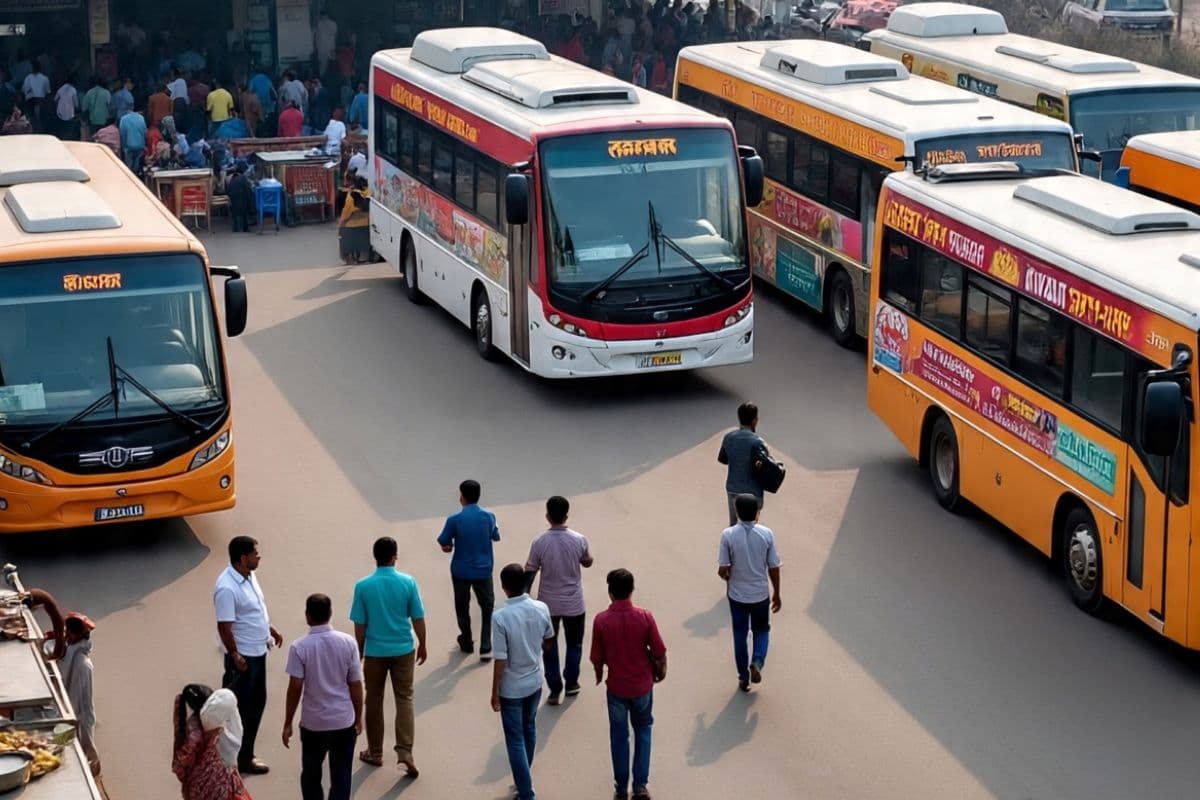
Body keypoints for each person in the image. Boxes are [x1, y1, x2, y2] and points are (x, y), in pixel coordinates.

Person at [349, 536, 426, 777]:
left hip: (375, 652)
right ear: (395, 557)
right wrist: (423, 643)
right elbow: (418, 617)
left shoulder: (363, 586)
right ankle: (405, 752)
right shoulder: (408, 582)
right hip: (404, 648)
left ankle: (375, 751)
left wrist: (358, 654)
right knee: (405, 698)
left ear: (375, 557)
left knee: (374, 698)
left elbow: (359, 624)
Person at [590, 569, 666, 800]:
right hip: (642, 686)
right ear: (632, 590)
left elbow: (596, 656)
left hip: (616, 688)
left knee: (619, 736)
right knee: (643, 730)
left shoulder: (601, 620)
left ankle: (621, 787)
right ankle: (640, 786)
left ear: (610, 592)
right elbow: (660, 650)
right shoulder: (645, 616)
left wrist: (598, 674)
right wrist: (661, 669)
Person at [214, 534, 284, 775]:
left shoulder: (249, 576)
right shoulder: (226, 587)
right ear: (243, 558)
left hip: (258, 651)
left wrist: (269, 629)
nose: (259, 556)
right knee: (237, 709)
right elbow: (224, 625)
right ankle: (229, 757)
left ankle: (245, 755)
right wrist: (234, 654)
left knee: (256, 705)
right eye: (255, 553)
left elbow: (255, 608)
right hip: (243, 658)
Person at [283, 593, 364, 800]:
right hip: (343, 722)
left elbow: (295, 687)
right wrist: (358, 716)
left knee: (310, 774)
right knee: (341, 775)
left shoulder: (299, 647)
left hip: (313, 724)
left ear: (307, 616)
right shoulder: (348, 643)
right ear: (330, 614)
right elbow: (355, 684)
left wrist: (288, 722)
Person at [490, 563, 555, 800]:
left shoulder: (500, 617)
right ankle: (523, 779)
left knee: (514, 738)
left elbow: (500, 659)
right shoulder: (541, 608)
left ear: (504, 587)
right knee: (529, 727)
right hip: (535, 682)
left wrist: (495, 691)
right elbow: (549, 640)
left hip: (511, 687)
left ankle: (526, 791)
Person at [524, 495, 594, 706]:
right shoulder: (579, 539)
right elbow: (588, 561)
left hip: (548, 605)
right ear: (567, 515)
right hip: (574, 603)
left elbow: (530, 571)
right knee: (575, 644)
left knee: (549, 646)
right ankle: (572, 682)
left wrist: (525, 598)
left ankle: (555, 689)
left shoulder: (539, 542)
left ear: (547, 516)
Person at [718, 494, 783, 692]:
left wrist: (726, 574)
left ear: (737, 512)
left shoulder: (728, 535)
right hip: (760, 595)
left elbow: (723, 568)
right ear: (757, 513)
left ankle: (743, 678)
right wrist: (777, 593)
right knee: (761, 631)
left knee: (740, 634)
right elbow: (773, 566)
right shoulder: (767, 534)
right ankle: (757, 662)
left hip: (737, 595)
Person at [437, 478, 501, 660]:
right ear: (479, 496)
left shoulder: (454, 520)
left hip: (461, 571)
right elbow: (496, 536)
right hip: (483, 570)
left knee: (462, 605)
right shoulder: (489, 517)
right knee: (487, 606)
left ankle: (466, 639)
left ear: (461, 497)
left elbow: (443, 541)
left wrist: (448, 547)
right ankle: (486, 645)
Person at [172, 684, 250, 800]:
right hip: (215, 784)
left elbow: (183, 761)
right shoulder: (216, 733)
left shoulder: (192, 726)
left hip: (197, 784)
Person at [60, 613, 100, 776]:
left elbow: (83, 705)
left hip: (70, 715)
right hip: (71, 715)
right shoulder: (77, 658)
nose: (65, 635)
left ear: (75, 635)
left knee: (70, 756)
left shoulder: (80, 663)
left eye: (67, 632)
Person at [717, 401, 769, 526]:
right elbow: (766, 467)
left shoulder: (728, 438)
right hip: (754, 493)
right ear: (754, 421)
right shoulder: (758, 442)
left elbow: (722, 459)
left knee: (734, 527)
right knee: (751, 529)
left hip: (733, 490)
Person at [21, 61, 50, 133]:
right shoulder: (45, 78)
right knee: (42, 116)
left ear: (32, 69)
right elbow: (47, 92)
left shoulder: (28, 77)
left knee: (29, 117)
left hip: (30, 100)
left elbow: (24, 89)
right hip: (41, 100)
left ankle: (30, 126)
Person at [227, 165, 253, 232]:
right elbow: (248, 190)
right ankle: (245, 228)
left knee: (235, 215)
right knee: (244, 214)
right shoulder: (243, 178)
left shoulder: (232, 179)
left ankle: (235, 229)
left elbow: (228, 190)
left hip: (233, 200)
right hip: (242, 200)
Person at [53, 75, 79, 140]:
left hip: (60, 113)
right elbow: (76, 103)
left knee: (61, 127)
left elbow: (55, 99)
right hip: (69, 113)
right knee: (69, 127)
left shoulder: (61, 88)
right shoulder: (73, 90)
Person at [315, 11, 338, 77]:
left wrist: (316, 47)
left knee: (323, 66)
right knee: (332, 64)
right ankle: (332, 77)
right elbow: (336, 35)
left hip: (322, 48)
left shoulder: (319, 24)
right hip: (331, 47)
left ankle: (323, 79)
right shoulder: (333, 24)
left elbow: (316, 37)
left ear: (321, 16)